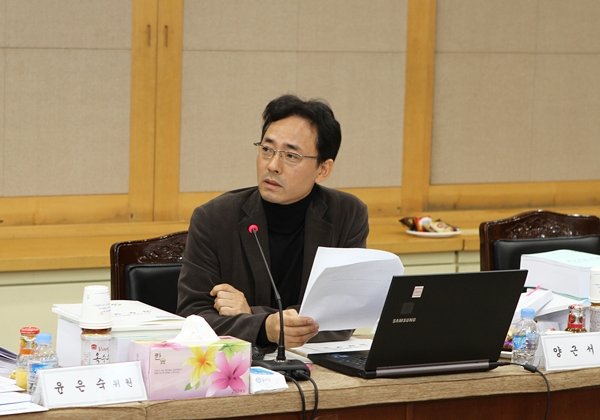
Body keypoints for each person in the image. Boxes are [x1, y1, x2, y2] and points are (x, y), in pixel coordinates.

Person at [177, 94, 369, 351]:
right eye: (267, 150)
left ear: (323, 169)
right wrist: (264, 327)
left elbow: (344, 315)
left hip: (313, 361)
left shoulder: (347, 214)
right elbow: (191, 318)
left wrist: (254, 316)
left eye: (291, 156)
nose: (273, 165)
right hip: (242, 363)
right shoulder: (213, 218)